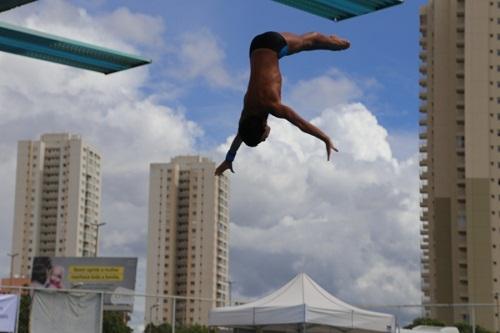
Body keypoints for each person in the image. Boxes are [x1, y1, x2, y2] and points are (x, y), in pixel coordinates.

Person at [215, 31, 350, 176]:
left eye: (262, 139)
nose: (264, 140)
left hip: (274, 45)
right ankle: (331, 43)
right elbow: (242, 134)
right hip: (255, 47)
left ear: (262, 127)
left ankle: (335, 43)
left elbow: (301, 124)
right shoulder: (248, 109)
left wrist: (325, 138)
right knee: (304, 43)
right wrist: (229, 158)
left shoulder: (273, 106)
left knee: (308, 42)